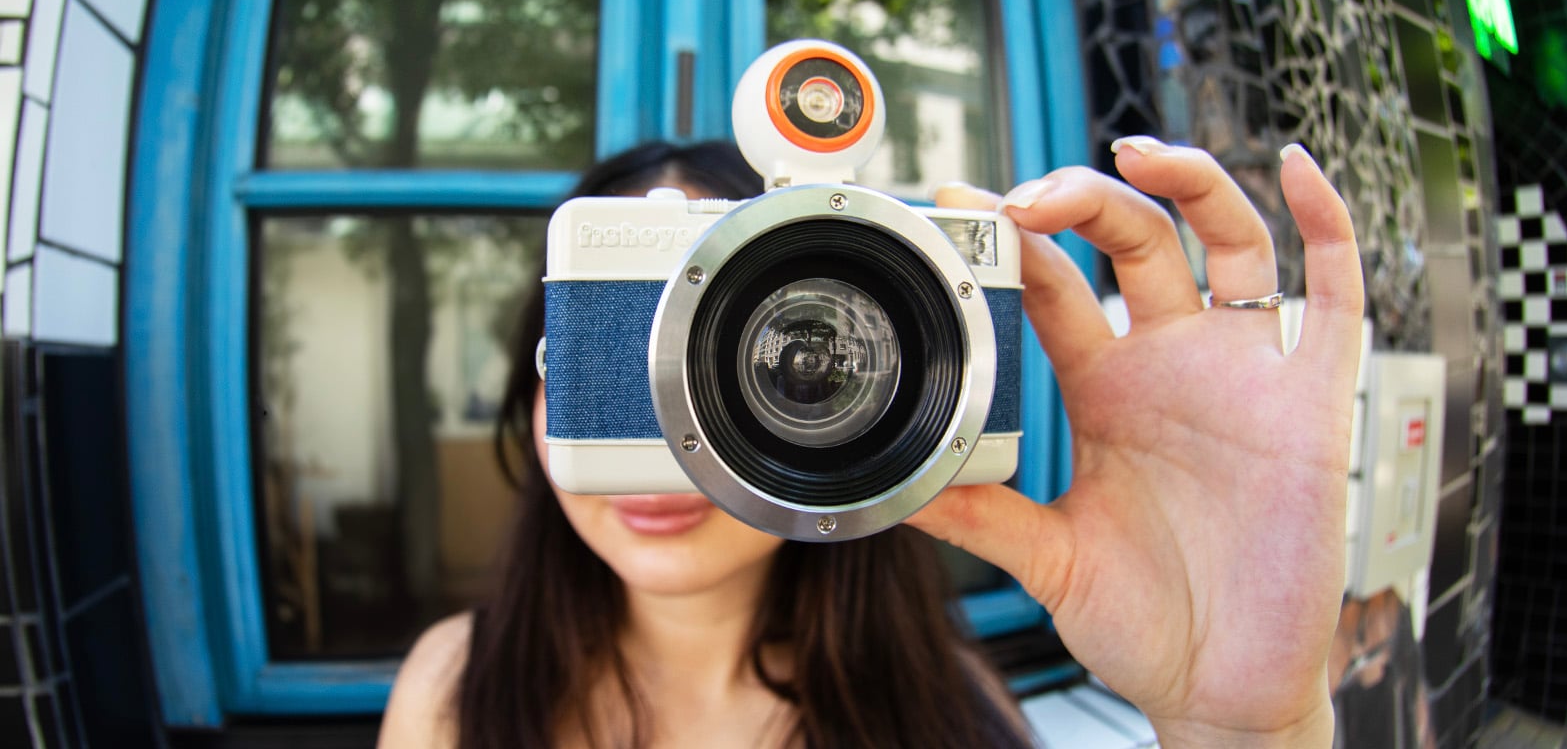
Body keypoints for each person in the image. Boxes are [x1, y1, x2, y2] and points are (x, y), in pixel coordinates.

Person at [378, 134, 1364, 748]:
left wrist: (1244, 730)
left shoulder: (940, 711)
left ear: (878, 408)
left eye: (727, 371)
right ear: (547, 379)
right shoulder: (453, 693)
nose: (674, 439)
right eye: (622, 371)